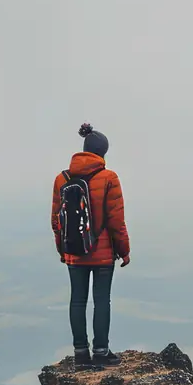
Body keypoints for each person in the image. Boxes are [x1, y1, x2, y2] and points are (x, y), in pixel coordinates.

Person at [51, 123, 131, 370]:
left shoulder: (62, 179)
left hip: (73, 252)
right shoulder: (109, 178)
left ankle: (80, 354)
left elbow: (57, 220)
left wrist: (62, 250)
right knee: (101, 301)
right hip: (103, 253)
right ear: (102, 153)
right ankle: (101, 352)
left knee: (77, 301)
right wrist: (124, 250)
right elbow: (116, 220)